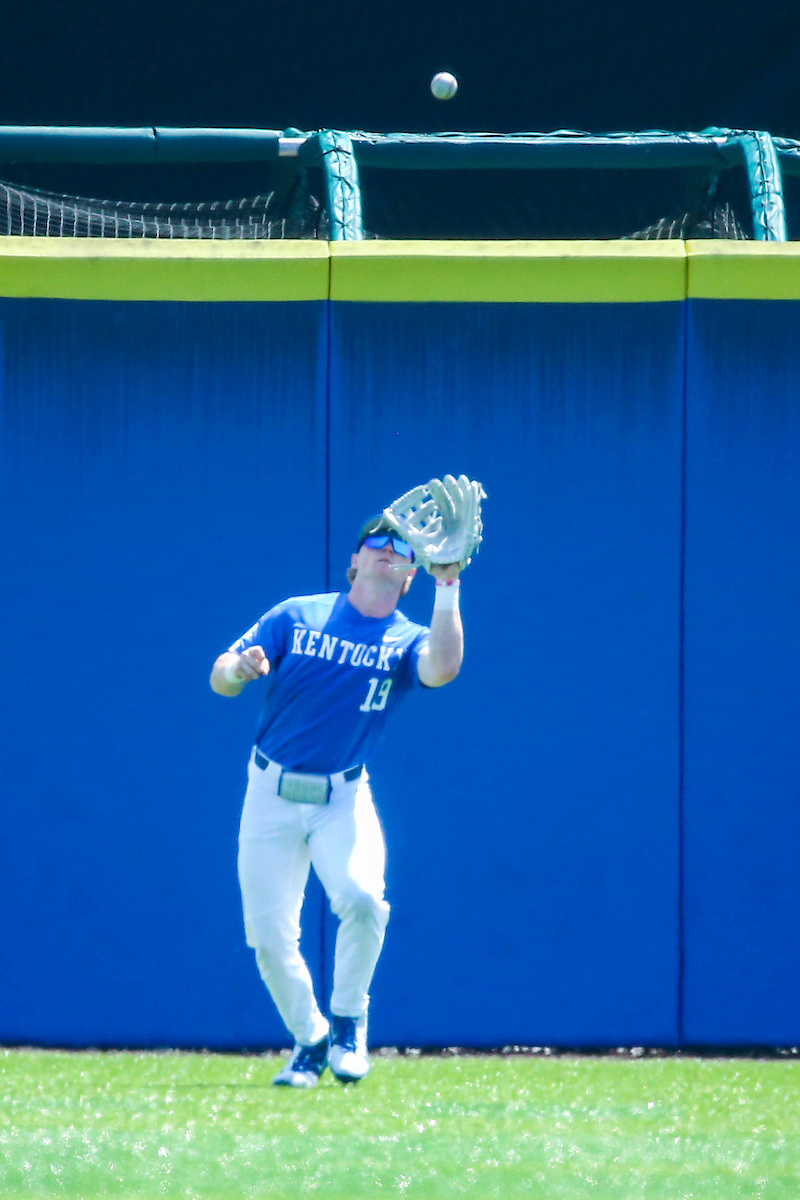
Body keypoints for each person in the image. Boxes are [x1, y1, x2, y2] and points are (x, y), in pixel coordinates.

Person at [210, 514, 464, 1088]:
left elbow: (443, 669)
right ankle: (311, 1039)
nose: (386, 548)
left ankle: (349, 1022)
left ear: (409, 575)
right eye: (375, 540)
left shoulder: (406, 638)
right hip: (269, 792)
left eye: (401, 546)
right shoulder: (297, 614)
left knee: (364, 899)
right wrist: (240, 670)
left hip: (340, 796)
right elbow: (219, 675)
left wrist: (448, 585)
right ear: (353, 561)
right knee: (268, 938)